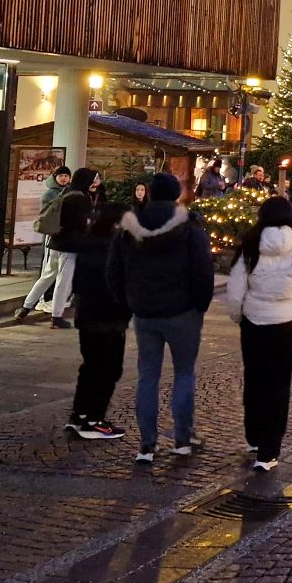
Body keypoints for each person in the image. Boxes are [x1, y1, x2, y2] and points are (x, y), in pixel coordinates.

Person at [107, 172, 215, 464]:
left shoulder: (129, 228)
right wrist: (200, 304)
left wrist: (128, 302)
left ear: (150, 193)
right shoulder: (189, 227)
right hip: (182, 311)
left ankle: (147, 444)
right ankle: (182, 438)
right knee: (183, 373)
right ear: (176, 195)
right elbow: (203, 269)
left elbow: (113, 271)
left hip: (144, 312)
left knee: (148, 377)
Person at [226, 196, 292, 472]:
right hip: (285, 322)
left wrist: (238, 315)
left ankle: (254, 437)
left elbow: (235, 289)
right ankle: (269, 450)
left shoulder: (251, 247)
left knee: (255, 380)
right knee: (278, 385)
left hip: (253, 321)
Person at [65, 201, 130, 440]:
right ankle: (95, 420)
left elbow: (78, 282)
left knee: (90, 366)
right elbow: (117, 284)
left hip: (87, 315)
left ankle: (79, 415)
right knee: (109, 369)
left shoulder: (87, 244)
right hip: (109, 318)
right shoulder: (114, 248)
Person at [17, 166, 101, 328]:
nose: (94, 182)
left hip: (56, 242)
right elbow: (84, 224)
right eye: (92, 179)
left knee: (47, 276)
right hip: (69, 246)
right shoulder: (81, 198)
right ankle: (56, 317)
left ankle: (26, 307)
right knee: (64, 281)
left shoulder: (67, 192)